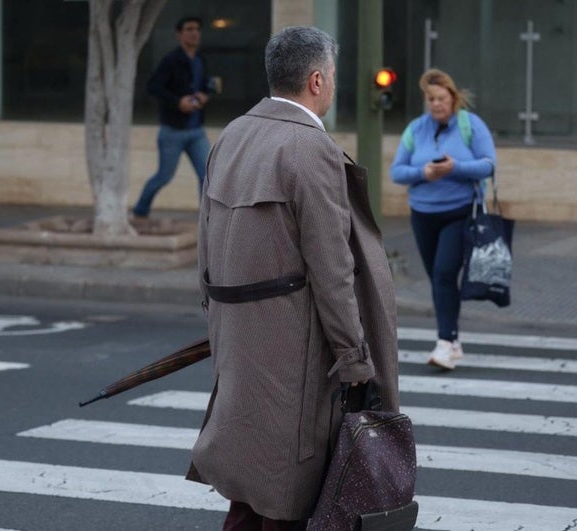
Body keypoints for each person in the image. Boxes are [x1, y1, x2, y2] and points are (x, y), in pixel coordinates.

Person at [187, 26, 400, 530]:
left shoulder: (234, 134)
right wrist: (354, 358)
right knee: (289, 496)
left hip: (239, 341)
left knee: (247, 490)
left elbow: (205, 244)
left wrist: (218, 324)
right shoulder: (311, 148)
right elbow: (333, 269)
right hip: (297, 354)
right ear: (317, 79)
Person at [390, 68, 496, 370]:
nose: (436, 104)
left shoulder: (470, 125)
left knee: (444, 275)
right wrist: (422, 173)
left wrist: (456, 168)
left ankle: (445, 343)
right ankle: (454, 340)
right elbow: (397, 172)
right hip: (423, 214)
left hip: (459, 212)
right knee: (439, 279)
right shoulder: (416, 129)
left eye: (441, 98)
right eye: (431, 99)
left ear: (453, 98)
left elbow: (488, 165)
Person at [132, 16, 212, 218]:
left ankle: (208, 220)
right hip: (173, 131)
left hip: (196, 131)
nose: (194, 33)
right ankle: (140, 211)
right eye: (189, 29)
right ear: (179, 34)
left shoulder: (201, 59)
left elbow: (206, 85)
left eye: (197, 29)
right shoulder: (170, 60)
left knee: (208, 176)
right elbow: (153, 87)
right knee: (164, 176)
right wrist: (178, 102)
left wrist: (204, 95)